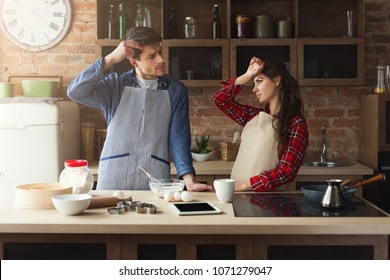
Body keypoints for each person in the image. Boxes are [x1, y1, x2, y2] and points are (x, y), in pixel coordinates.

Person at [68, 26, 213, 191]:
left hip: (154, 175)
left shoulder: (176, 90)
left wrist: (188, 180)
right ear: (134, 61)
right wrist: (111, 59)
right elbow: (75, 92)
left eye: (160, 52)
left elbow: (178, 136)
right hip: (114, 175)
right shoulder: (115, 85)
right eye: (152, 56)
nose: (160, 60)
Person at [212, 57, 309, 192]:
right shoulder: (254, 116)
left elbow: (287, 171)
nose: (254, 89)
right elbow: (220, 100)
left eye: (259, 81)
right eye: (254, 83)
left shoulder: (295, 123)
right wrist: (247, 75)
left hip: (265, 200)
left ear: (276, 80)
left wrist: (245, 185)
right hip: (235, 195)